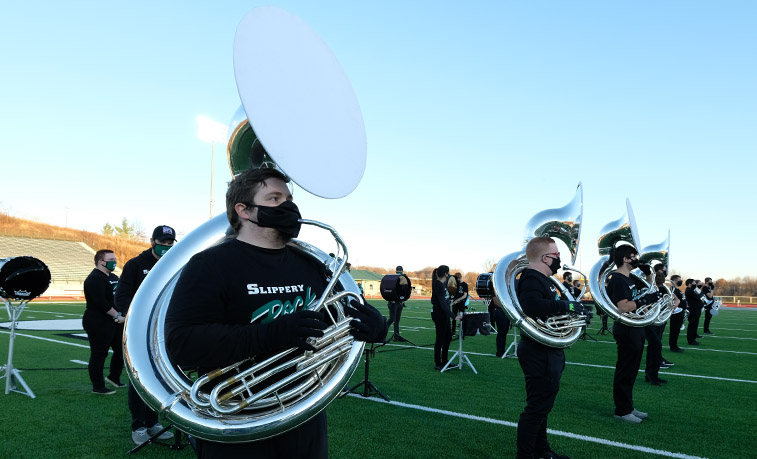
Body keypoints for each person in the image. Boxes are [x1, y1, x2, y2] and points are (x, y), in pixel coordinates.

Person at [164, 167, 387, 458]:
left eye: (289, 198)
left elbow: (341, 317)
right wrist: (272, 334)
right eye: (274, 198)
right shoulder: (209, 264)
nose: (289, 206)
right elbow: (183, 344)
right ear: (243, 210)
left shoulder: (311, 264)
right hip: (236, 420)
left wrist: (373, 327)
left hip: (304, 413)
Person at [515, 236, 585, 459]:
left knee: (542, 407)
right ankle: (526, 455)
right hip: (538, 350)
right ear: (545, 258)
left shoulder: (543, 280)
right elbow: (532, 305)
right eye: (556, 256)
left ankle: (542, 451)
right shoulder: (531, 279)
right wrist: (567, 305)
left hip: (546, 349)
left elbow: (549, 309)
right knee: (537, 408)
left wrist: (573, 312)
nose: (559, 260)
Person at [115, 225, 177, 445]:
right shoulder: (135, 265)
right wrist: (135, 320)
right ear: (152, 241)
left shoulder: (177, 265)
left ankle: (153, 423)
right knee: (140, 380)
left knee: (161, 379)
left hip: (166, 331)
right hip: (142, 332)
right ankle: (138, 425)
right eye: (163, 242)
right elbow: (121, 296)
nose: (167, 246)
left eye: (170, 243)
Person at [607, 244, 664, 423]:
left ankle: (628, 406)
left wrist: (648, 273)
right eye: (634, 256)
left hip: (636, 326)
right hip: (626, 327)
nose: (637, 259)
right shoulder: (618, 279)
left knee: (632, 370)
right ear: (625, 259)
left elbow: (650, 287)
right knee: (625, 369)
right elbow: (623, 306)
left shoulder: (630, 277)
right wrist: (645, 300)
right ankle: (622, 411)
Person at [82, 249, 124, 395]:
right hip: (98, 321)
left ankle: (114, 377)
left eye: (115, 258)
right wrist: (117, 316)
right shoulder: (94, 279)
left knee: (122, 350)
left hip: (114, 321)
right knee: (99, 354)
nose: (114, 261)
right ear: (100, 261)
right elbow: (100, 302)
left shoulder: (113, 276)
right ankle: (98, 386)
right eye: (111, 259)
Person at [430, 265, 460, 370]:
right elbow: (442, 304)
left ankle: (445, 361)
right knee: (440, 339)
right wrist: (453, 316)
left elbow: (446, 301)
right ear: (446, 273)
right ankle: (438, 363)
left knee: (447, 338)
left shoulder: (443, 284)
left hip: (444, 314)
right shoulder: (438, 285)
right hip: (439, 315)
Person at [386, 265, 408, 342]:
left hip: (399, 302)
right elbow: (388, 290)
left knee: (397, 320)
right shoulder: (393, 279)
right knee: (392, 319)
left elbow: (404, 290)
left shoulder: (402, 278)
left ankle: (396, 336)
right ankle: (381, 332)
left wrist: (403, 300)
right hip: (393, 302)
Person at [668, 274, 687, 353]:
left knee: (677, 331)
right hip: (676, 313)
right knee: (674, 331)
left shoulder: (677, 289)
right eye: (679, 279)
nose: (680, 281)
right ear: (675, 280)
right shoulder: (672, 290)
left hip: (680, 312)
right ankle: (673, 346)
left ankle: (675, 345)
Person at [684, 279, 703, 345]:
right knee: (692, 325)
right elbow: (698, 297)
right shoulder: (689, 290)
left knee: (695, 325)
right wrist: (702, 292)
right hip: (693, 310)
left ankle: (693, 338)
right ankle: (691, 340)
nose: (695, 284)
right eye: (694, 282)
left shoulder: (692, 290)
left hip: (696, 309)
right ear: (690, 283)